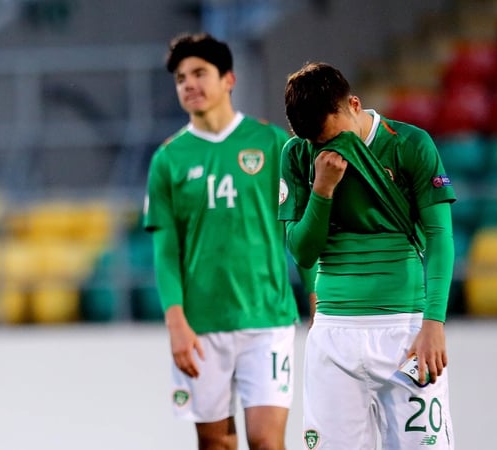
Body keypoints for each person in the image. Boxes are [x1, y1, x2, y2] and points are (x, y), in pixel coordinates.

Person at [144, 33, 316, 450]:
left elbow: (302, 231)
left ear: (229, 79)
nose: (189, 83)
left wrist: (317, 300)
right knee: (216, 445)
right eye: (181, 77)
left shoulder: (273, 144)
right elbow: (166, 251)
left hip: (268, 318)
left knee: (265, 441)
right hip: (201, 328)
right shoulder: (168, 159)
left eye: (200, 73)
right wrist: (176, 324)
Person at [281, 62, 456, 449]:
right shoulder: (297, 154)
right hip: (333, 335)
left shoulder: (409, 143)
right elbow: (302, 251)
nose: (327, 149)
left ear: (354, 105)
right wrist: (322, 191)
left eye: (332, 137)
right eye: (316, 143)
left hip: (405, 330)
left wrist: (434, 323)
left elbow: (440, 236)